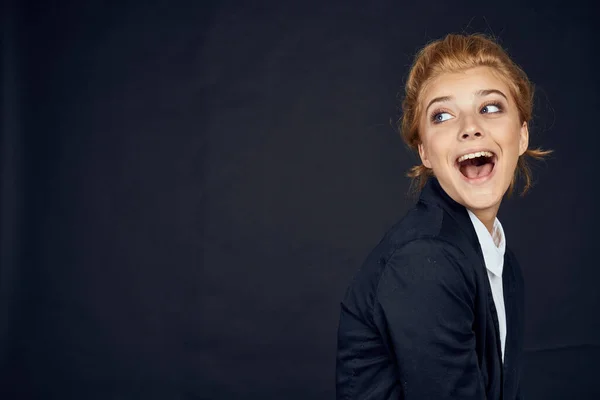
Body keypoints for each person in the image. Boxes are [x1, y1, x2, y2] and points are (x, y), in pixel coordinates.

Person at [335, 33, 551, 399]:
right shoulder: (423, 261)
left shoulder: (501, 262)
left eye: (490, 107)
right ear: (425, 152)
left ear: (523, 134)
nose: (470, 127)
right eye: (443, 115)